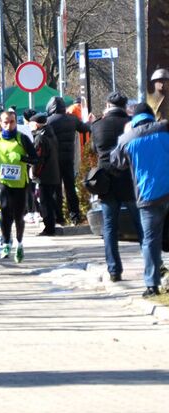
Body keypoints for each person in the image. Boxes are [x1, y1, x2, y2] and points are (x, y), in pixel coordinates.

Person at [110, 103, 169, 297]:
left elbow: (117, 163)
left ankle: (152, 285)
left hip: (148, 196)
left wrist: (125, 134)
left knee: (150, 240)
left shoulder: (128, 138)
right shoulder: (166, 128)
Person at [91, 92, 144, 281]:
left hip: (106, 182)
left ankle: (114, 270)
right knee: (141, 225)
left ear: (107, 105)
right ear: (124, 106)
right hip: (130, 179)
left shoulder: (97, 125)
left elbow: (93, 149)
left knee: (109, 228)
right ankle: (150, 265)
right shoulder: (132, 123)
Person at [0, 110, 39, 262]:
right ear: (0, 123)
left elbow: (35, 159)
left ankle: (19, 243)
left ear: (15, 122)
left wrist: (21, 157)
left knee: (18, 216)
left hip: (20, 183)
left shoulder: (23, 139)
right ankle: (6, 243)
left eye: (12, 122)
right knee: (5, 210)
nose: (8, 125)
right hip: (3, 181)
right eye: (5, 122)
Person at [46, 96, 90, 225]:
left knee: (57, 189)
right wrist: (90, 122)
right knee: (70, 188)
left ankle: (59, 217)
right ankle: (75, 216)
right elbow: (84, 128)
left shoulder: (49, 121)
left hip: (54, 160)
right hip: (68, 159)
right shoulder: (73, 120)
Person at [28, 113, 61, 236]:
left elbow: (38, 159)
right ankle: (53, 223)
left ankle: (49, 228)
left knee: (44, 202)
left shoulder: (40, 138)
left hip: (44, 176)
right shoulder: (50, 134)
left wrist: (35, 173)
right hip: (52, 173)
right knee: (49, 200)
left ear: (36, 125)